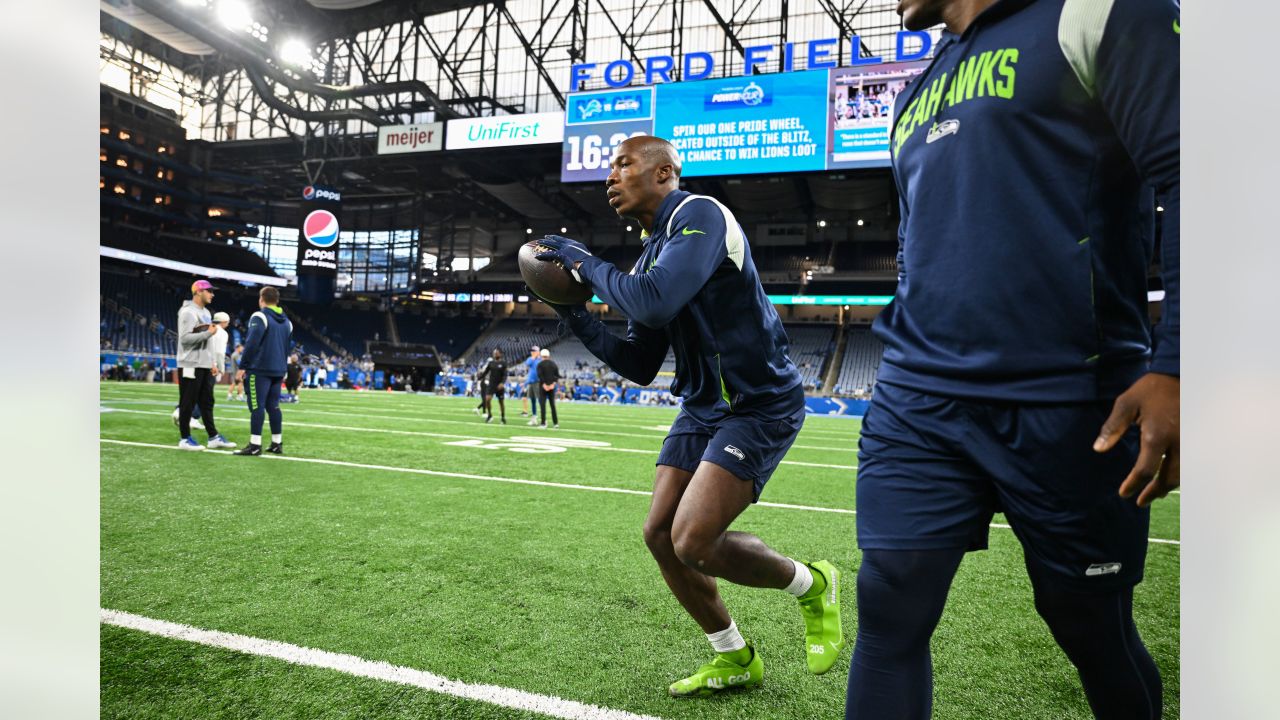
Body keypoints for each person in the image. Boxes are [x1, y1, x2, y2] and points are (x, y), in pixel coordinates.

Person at [843, 1, 1180, 718]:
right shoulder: (916, 88)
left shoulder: (1098, 12)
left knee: (1088, 623)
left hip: (1073, 400)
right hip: (918, 398)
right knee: (889, 604)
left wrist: (1180, 360)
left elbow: (1202, 171)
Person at [534, 135, 842, 696]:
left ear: (664, 173)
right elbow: (639, 364)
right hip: (703, 406)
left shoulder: (700, 214)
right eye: (610, 167)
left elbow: (651, 300)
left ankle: (812, 584)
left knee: (693, 540)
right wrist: (571, 311)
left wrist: (583, 261)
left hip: (758, 403)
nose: (610, 177)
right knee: (658, 534)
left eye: (622, 164)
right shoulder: (652, 253)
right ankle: (733, 655)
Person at [174, 279, 235, 451]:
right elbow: (184, 340)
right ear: (199, 292)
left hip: (204, 364)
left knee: (207, 401)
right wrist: (208, 333)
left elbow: (208, 342)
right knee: (188, 401)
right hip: (190, 363)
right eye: (209, 291)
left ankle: (213, 437)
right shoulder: (187, 312)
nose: (212, 294)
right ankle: (184, 438)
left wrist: (212, 362)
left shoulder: (207, 312)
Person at [235, 286, 294, 456]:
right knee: (273, 407)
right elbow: (286, 347)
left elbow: (252, 344)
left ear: (261, 299)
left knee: (257, 406)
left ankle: (255, 445)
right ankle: (276, 443)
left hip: (260, 369)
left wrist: (242, 366)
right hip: (278, 369)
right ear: (277, 300)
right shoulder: (287, 322)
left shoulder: (259, 316)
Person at [477, 348, 509, 424]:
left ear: (500, 354)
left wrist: (502, 383)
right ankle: (490, 415)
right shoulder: (491, 363)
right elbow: (485, 372)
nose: (495, 354)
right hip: (491, 384)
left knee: (501, 402)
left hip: (499, 385)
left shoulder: (504, 363)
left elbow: (505, 375)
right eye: (494, 353)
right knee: (487, 399)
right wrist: (479, 377)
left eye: (497, 353)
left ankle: (503, 417)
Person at [534, 347, 560, 429]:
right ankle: (555, 423)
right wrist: (553, 384)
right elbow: (557, 375)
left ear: (542, 355)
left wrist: (545, 385)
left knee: (542, 405)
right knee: (552, 405)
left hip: (543, 387)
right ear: (548, 355)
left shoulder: (540, 364)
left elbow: (540, 376)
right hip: (551, 387)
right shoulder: (553, 364)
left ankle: (543, 423)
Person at [521, 345, 541, 421]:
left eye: (533, 351)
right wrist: (526, 383)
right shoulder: (530, 359)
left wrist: (537, 355)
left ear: (537, 352)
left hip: (538, 382)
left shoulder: (540, 360)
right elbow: (528, 363)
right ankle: (534, 416)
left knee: (540, 401)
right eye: (531, 351)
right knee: (532, 400)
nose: (531, 352)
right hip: (531, 383)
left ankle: (543, 418)